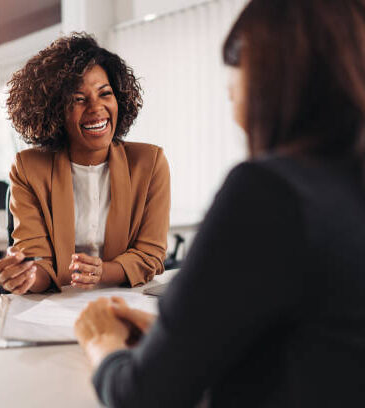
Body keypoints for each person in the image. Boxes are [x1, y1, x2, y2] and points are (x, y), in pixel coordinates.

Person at [74, 0, 365, 407]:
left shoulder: (270, 193)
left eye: (233, 94)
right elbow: (314, 342)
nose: (235, 115)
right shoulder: (345, 187)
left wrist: (102, 343)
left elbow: (143, 398)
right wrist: (182, 334)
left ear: (269, 84)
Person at [0, 33, 170, 294]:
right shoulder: (28, 168)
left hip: (123, 300)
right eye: (78, 99)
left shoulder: (150, 163)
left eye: (105, 93)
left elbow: (150, 255)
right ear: (54, 111)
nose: (96, 108)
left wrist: (102, 272)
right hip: (55, 306)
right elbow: (38, 263)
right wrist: (25, 276)